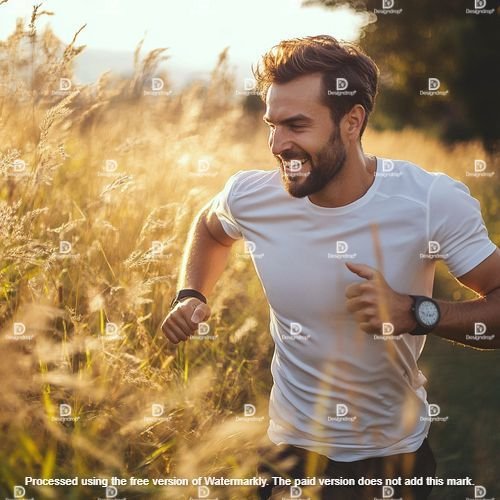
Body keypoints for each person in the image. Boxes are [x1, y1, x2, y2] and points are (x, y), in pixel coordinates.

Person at [161, 35, 500, 499]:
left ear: (352, 122)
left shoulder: (427, 202)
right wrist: (191, 293)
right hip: (288, 457)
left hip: (392, 462)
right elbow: (210, 226)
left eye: (297, 125)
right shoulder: (251, 196)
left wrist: (415, 311)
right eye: (272, 125)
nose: (279, 144)